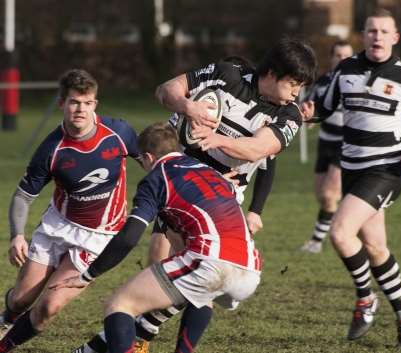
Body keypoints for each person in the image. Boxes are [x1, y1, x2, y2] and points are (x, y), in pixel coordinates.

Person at [75, 37, 317, 353]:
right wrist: (189, 107)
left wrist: (217, 139)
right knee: (163, 267)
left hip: (221, 198)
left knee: (199, 274)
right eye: (293, 83)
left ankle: (124, 342)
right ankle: (133, 339)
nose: (296, 92)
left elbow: (260, 148)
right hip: (177, 184)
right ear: (271, 73)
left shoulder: (290, 115)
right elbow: (166, 90)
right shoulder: (226, 75)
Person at [50, 122, 262, 353]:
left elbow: (129, 238)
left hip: (211, 261)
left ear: (148, 157)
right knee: (198, 293)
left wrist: (88, 275)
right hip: (250, 268)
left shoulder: (157, 178)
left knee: (120, 304)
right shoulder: (210, 172)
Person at [313, 9, 401, 347]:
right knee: (375, 247)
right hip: (353, 171)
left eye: (384, 31)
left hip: (386, 170)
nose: (377, 36)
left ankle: (364, 299)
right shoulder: (346, 70)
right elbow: (323, 108)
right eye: (372, 30)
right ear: (364, 35)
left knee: (341, 234)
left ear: (395, 37)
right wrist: (303, 114)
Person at [0, 69, 144, 352]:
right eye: (74, 102)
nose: (80, 109)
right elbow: (23, 196)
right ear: (62, 104)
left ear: (95, 104)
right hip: (58, 226)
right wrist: (17, 235)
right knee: (21, 299)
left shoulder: (119, 133)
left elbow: (152, 162)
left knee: (49, 307)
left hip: (99, 236)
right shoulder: (51, 149)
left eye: (87, 102)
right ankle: (7, 317)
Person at [300, 40, 353, 253]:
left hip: (345, 143)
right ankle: (343, 220)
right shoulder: (322, 82)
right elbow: (311, 109)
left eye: (346, 56)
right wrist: (307, 118)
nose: (342, 60)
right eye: (338, 55)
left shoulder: (357, 81)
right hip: (325, 143)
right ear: (331, 58)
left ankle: (316, 241)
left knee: (330, 195)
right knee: (322, 195)